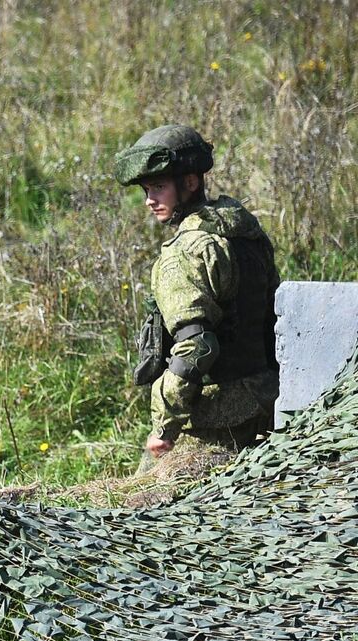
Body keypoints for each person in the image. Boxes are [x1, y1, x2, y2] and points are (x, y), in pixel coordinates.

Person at [116, 124, 279, 462]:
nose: (149, 200)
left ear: (190, 182)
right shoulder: (246, 233)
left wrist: (163, 427)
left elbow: (197, 346)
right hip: (268, 401)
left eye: (159, 187)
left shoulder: (185, 251)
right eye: (146, 190)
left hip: (215, 419)